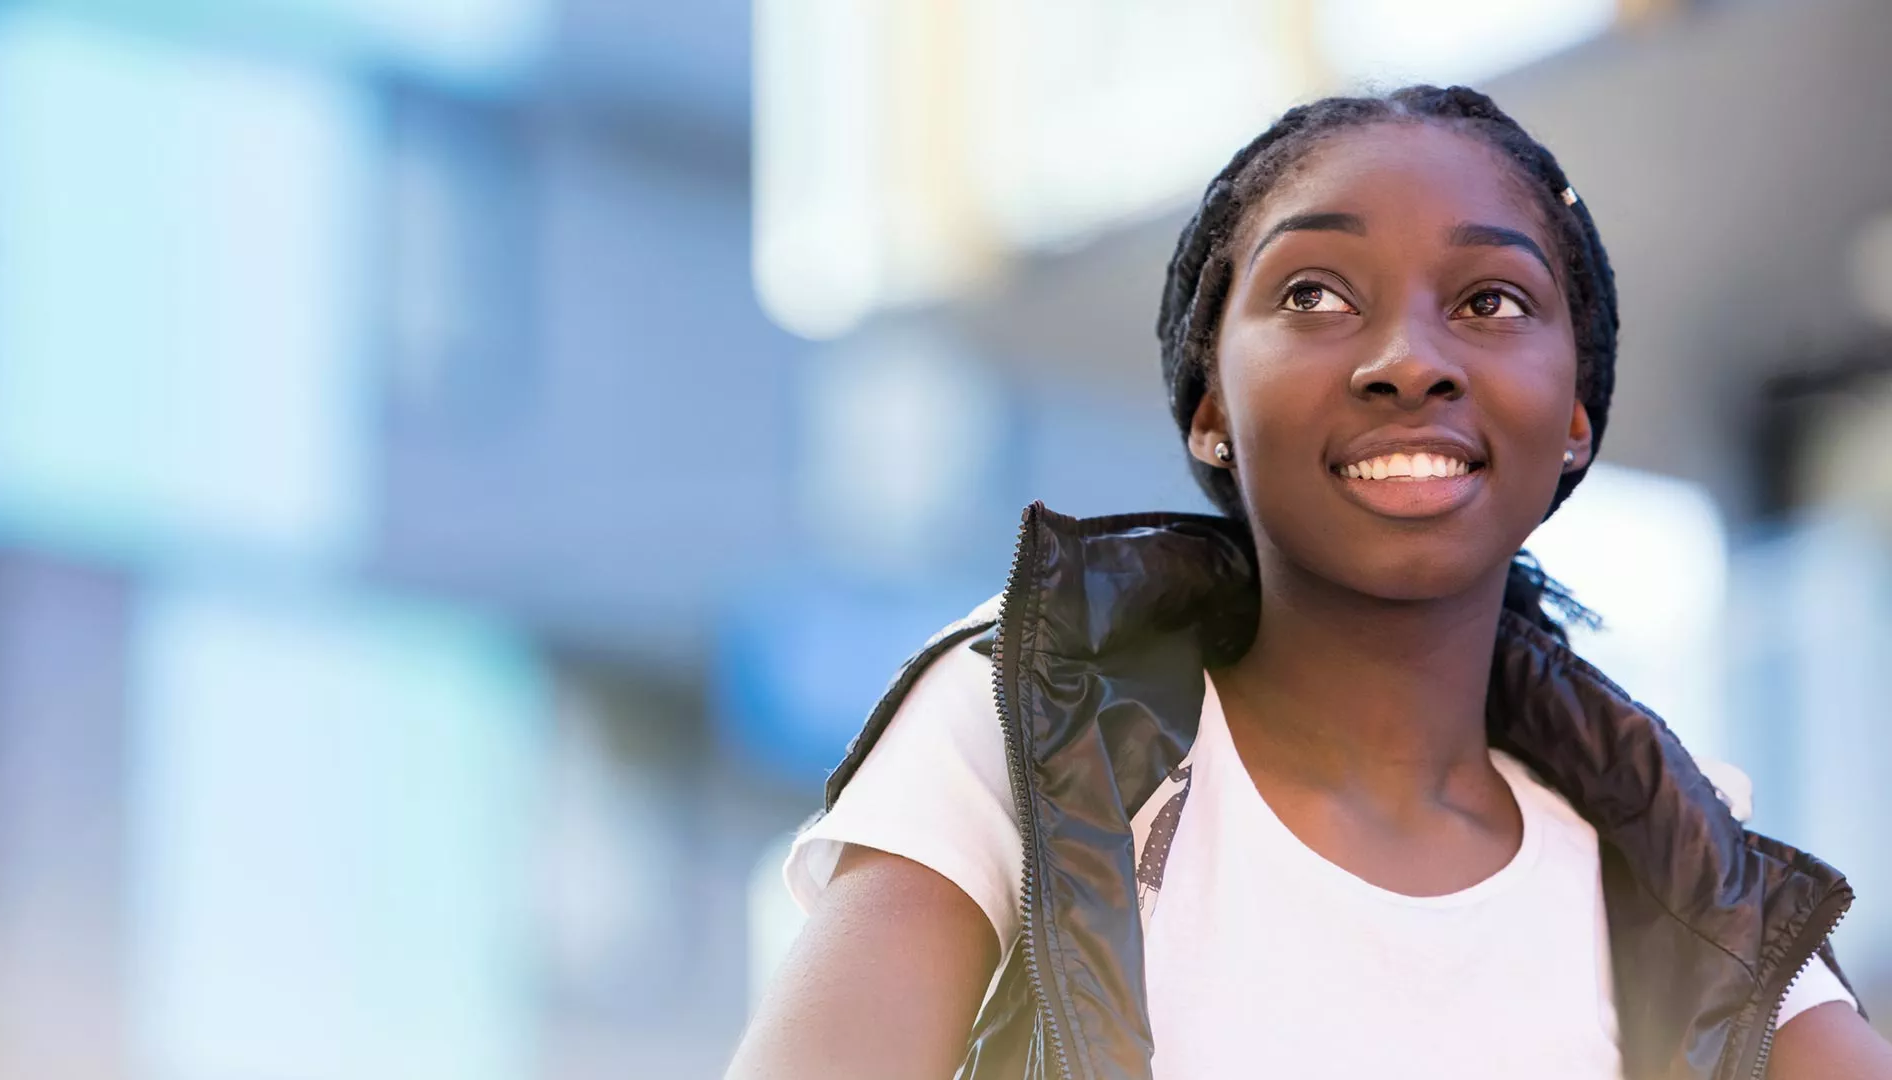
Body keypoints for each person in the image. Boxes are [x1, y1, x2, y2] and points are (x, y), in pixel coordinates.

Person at [725, 85, 1892, 1079]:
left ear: (1576, 420)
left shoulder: (1685, 870)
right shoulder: (1033, 725)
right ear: (1211, 407)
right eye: (1314, 296)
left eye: (1490, 302)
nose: (1409, 362)